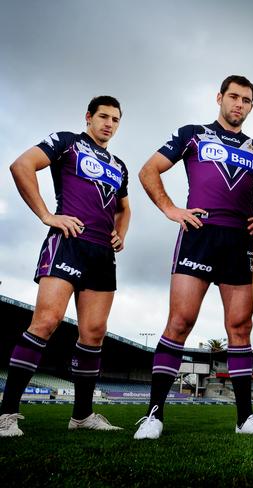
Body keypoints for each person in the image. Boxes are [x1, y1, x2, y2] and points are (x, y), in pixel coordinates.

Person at [134, 75, 253, 439]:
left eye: (246, 100)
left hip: (240, 242)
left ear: (251, 106)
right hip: (199, 234)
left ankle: (245, 419)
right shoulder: (192, 134)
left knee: (240, 330)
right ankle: (154, 415)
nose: (239, 104)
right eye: (233, 97)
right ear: (219, 98)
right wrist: (170, 209)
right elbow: (148, 171)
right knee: (179, 323)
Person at [0, 96, 130, 437]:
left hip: (102, 254)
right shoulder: (67, 142)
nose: (109, 124)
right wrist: (47, 215)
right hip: (68, 245)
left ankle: (82, 416)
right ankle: (6, 414)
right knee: (45, 322)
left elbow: (124, 208)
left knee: (93, 334)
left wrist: (121, 233)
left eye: (115, 120)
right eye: (103, 117)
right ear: (89, 117)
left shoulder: (119, 165)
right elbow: (21, 165)